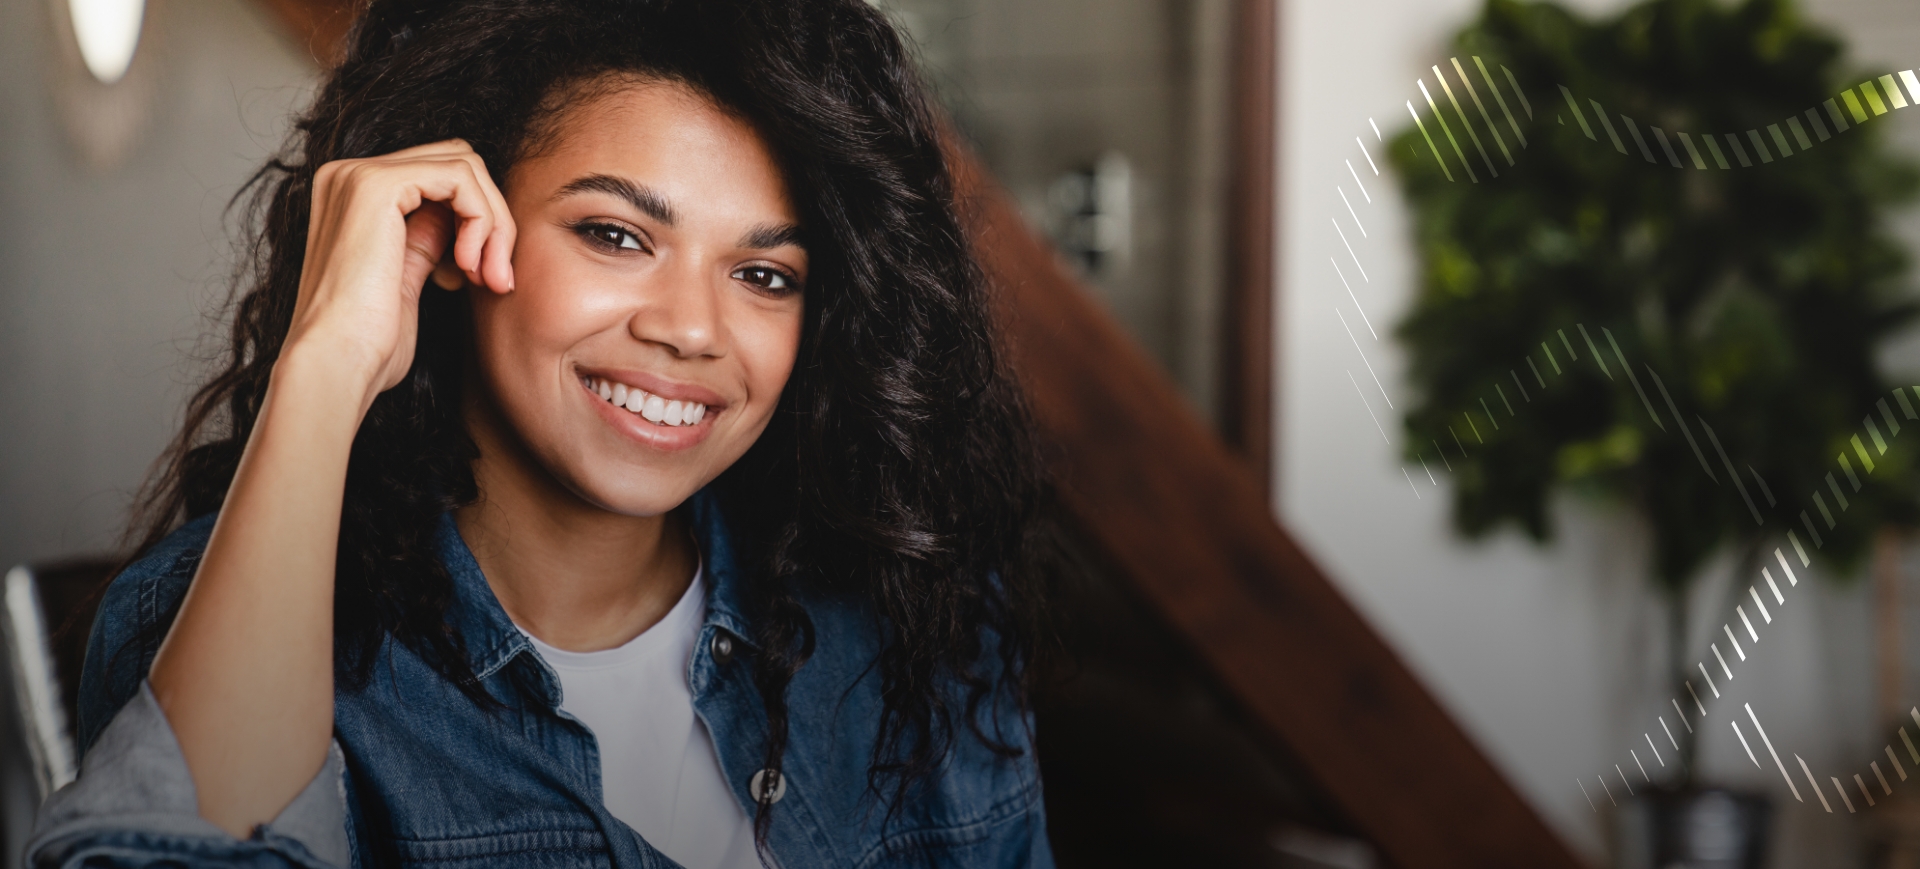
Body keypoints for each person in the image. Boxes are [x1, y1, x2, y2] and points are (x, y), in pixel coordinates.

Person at [25, 1, 1055, 866]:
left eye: (764, 274)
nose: (691, 328)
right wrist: (326, 362)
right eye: (615, 234)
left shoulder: (909, 617)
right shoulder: (213, 618)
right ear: (454, 238)